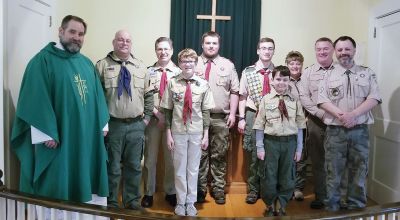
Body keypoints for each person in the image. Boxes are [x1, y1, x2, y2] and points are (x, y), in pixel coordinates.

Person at [11, 14, 109, 214]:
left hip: (87, 139)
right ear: (61, 31)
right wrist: (45, 132)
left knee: (87, 188)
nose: (77, 37)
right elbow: (35, 98)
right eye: (72, 32)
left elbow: (98, 96)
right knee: (58, 186)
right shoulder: (42, 61)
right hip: (59, 140)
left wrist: (102, 124)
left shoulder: (86, 63)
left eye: (81, 34)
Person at [318, 36, 381, 211]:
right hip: (335, 131)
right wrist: (342, 116)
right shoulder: (327, 74)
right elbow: (322, 100)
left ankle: (356, 208)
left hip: (359, 130)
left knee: (359, 171)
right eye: (340, 50)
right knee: (333, 172)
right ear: (335, 52)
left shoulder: (367, 73)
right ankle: (333, 209)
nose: (343, 53)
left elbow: (374, 97)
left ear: (354, 50)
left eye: (347, 49)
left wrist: (353, 115)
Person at [96, 30, 154, 210]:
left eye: (128, 40)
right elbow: (96, 97)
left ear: (131, 43)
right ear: (114, 42)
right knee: (112, 167)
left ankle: (132, 202)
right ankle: (112, 202)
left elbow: (149, 95)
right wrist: (101, 123)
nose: (124, 43)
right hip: (113, 126)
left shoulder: (140, 67)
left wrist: (146, 119)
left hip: (137, 125)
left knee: (135, 166)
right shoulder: (102, 65)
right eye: (120, 40)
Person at [160, 48, 215, 216]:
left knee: (193, 169)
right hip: (177, 131)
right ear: (180, 64)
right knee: (179, 169)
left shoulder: (203, 84)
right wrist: (168, 133)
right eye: (184, 61)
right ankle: (180, 202)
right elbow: (168, 111)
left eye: (191, 61)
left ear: (195, 63)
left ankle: (190, 202)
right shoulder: (172, 82)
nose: (188, 64)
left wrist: (206, 134)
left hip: (196, 131)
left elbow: (206, 112)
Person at [253, 65, 306, 216]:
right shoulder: (266, 100)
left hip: (290, 143)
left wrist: (299, 149)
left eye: (285, 79)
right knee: (268, 175)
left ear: (289, 80)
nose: (281, 82)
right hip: (271, 143)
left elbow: (301, 126)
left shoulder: (295, 101)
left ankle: (282, 204)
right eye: (278, 79)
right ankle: (269, 204)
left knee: (287, 175)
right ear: (272, 80)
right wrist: (260, 147)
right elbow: (259, 125)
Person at [195, 31, 239, 205]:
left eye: (214, 43)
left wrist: (234, 113)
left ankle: (218, 188)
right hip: (197, 118)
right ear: (202, 44)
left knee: (219, 155)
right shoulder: (193, 62)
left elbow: (235, 91)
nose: (211, 46)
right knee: (199, 155)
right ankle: (199, 189)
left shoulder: (227, 65)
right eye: (208, 43)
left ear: (219, 45)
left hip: (220, 118)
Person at [141, 37, 179, 208]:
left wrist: (167, 118)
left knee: (171, 159)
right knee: (149, 158)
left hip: (172, 123)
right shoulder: (148, 72)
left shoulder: (179, 73)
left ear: (171, 50)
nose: (163, 52)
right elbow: (144, 97)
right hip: (153, 121)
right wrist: (157, 114)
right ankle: (148, 192)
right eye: (159, 49)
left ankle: (170, 191)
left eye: (166, 49)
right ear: (155, 50)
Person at [298, 37, 335, 209]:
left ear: (333, 49)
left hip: (339, 124)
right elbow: (304, 97)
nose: (322, 52)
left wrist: (338, 116)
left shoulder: (342, 71)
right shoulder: (309, 72)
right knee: (318, 161)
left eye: (326, 49)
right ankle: (321, 197)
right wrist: (320, 114)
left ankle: (336, 198)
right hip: (316, 122)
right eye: (318, 49)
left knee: (337, 161)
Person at [238, 37, 275, 204]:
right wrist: (241, 118)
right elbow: (242, 97)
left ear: (273, 51)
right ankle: (253, 190)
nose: (267, 51)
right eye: (264, 48)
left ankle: (268, 189)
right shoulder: (248, 72)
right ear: (258, 51)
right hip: (253, 113)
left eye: (270, 48)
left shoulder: (279, 72)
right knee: (255, 154)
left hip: (274, 116)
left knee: (272, 152)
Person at [285, 51, 307, 201]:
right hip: (286, 125)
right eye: (291, 63)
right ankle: (286, 187)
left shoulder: (307, 80)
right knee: (287, 157)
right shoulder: (283, 80)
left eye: (298, 63)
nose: (295, 66)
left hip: (303, 125)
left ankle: (298, 187)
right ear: (287, 64)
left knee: (301, 157)